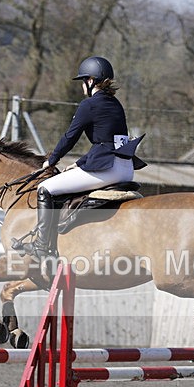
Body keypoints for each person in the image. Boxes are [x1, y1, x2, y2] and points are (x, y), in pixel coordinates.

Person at [14, 55, 146, 263]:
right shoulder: (116, 104)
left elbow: (70, 136)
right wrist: (79, 164)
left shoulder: (89, 104)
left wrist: (52, 160)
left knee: (45, 189)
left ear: (91, 81)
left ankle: (41, 245)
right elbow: (110, 142)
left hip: (108, 170)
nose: (82, 86)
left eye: (84, 81)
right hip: (126, 167)